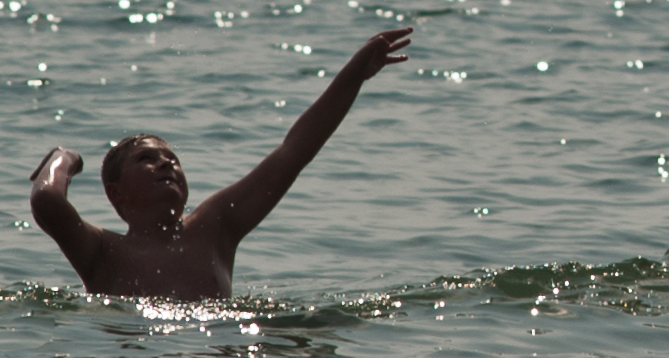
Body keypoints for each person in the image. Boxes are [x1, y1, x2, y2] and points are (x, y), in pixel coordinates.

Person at [29, 26, 415, 297]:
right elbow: (47, 202)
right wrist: (65, 159)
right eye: (147, 159)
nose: (167, 165)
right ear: (115, 194)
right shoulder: (101, 251)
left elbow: (293, 152)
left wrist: (354, 76)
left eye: (173, 160)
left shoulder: (215, 228)